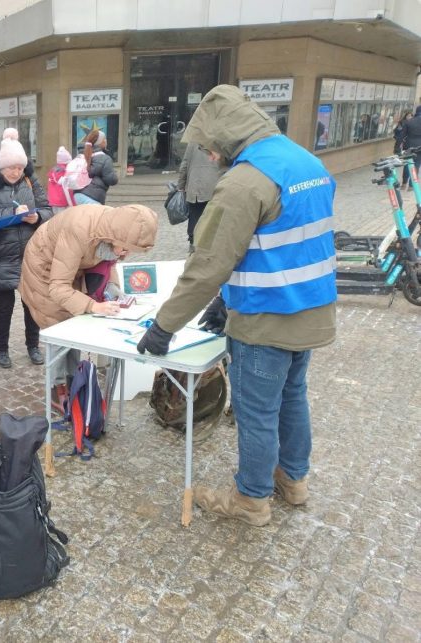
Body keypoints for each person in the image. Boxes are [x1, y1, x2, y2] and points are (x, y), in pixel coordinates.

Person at [136, 85, 337, 527]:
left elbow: (208, 263)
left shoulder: (245, 183)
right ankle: (293, 481)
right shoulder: (307, 162)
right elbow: (277, 245)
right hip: (309, 308)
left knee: (257, 410)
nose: (210, 156)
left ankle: (251, 500)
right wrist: (226, 300)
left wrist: (164, 326)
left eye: (211, 147)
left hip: (267, 318)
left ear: (228, 135)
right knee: (292, 397)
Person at [20, 202, 158, 386]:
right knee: (58, 324)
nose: (125, 253)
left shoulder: (116, 227)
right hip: (44, 268)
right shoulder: (79, 231)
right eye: (125, 249)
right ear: (113, 237)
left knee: (73, 322)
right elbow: (58, 287)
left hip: (71, 266)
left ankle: (73, 380)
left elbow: (109, 261)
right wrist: (93, 305)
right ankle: (57, 386)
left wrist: (113, 289)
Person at [0, 138, 52, 369]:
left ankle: (33, 346)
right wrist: (11, 212)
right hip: (0, 255)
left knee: (31, 304)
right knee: (4, 307)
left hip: (30, 254)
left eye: (19, 167)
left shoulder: (30, 181)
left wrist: (37, 217)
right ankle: (2, 350)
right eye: (11, 167)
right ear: (1, 166)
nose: (16, 172)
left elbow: (47, 209)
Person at [177, 142, 222, 251]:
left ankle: (193, 242)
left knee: (195, 214)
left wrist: (181, 185)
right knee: (213, 215)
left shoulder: (193, 142)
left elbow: (185, 164)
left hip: (195, 185)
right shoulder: (219, 140)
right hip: (215, 185)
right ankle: (212, 242)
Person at [73, 129, 118, 205]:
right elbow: (111, 180)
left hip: (77, 195)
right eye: (104, 139)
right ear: (101, 142)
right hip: (92, 197)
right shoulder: (105, 158)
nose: (106, 140)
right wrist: (114, 174)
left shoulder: (84, 155)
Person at [47, 146, 74, 214]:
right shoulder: (64, 171)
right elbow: (66, 186)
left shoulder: (54, 170)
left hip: (54, 201)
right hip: (62, 201)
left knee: (57, 220)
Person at [398, 106, 421, 188]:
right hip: (420, 147)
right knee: (417, 165)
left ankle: (404, 183)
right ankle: (412, 185)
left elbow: (401, 136)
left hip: (409, 146)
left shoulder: (409, 122)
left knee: (407, 164)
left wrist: (397, 148)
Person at [394, 109, 413, 188]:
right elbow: (397, 133)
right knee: (408, 163)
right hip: (404, 144)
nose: (409, 117)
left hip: (408, 144)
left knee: (411, 164)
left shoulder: (413, 124)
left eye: (410, 116)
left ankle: (410, 184)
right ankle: (405, 183)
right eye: (408, 116)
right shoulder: (402, 123)